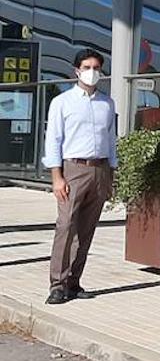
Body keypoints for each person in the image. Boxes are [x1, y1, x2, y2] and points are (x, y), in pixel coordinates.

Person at [43, 48, 117, 305]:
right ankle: (57, 284)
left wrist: (111, 173)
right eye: (87, 67)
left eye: (97, 67)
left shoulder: (107, 103)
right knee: (65, 227)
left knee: (86, 229)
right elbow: (53, 140)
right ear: (77, 71)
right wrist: (57, 177)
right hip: (72, 169)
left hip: (100, 169)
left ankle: (74, 282)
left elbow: (111, 139)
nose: (92, 72)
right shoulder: (62, 103)